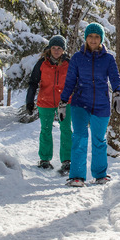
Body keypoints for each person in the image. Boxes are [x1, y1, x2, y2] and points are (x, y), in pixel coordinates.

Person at [58, 22, 120, 187]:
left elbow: (115, 78)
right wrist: (63, 101)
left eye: (97, 37)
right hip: (80, 103)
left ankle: (100, 174)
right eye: (90, 36)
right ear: (86, 38)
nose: (93, 40)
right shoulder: (77, 58)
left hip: (101, 105)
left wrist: (118, 93)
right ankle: (77, 177)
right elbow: (70, 81)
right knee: (80, 138)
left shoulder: (108, 58)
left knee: (99, 140)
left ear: (101, 39)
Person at [25, 35, 72, 174]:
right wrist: (29, 101)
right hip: (45, 102)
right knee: (45, 130)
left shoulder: (68, 64)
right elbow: (33, 83)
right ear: (49, 49)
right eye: (53, 48)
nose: (56, 51)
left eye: (59, 48)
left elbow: (75, 83)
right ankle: (44, 159)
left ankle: (67, 161)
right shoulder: (42, 63)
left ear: (63, 50)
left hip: (64, 102)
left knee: (66, 130)